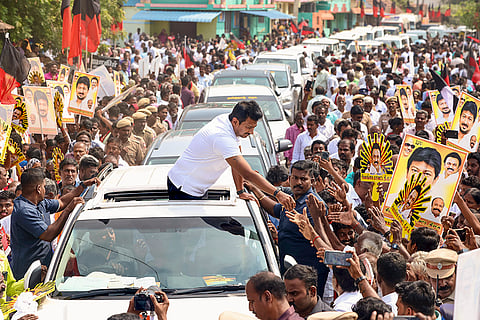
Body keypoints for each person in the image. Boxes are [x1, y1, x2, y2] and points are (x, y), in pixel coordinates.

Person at [167, 101, 294, 211]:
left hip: (196, 187)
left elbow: (237, 163)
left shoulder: (227, 121)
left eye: (254, 127)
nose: (251, 132)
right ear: (235, 122)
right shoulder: (222, 136)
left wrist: (240, 191)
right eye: (248, 127)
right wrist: (278, 194)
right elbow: (247, 174)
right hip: (184, 188)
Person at [10, 168, 98, 278]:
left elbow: (61, 202)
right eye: (43, 187)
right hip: (27, 274)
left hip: (43, 269)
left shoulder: (39, 203)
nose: (44, 190)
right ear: (38, 189)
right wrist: (67, 211)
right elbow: (48, 235)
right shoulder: (24, 210)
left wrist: (83, 186)